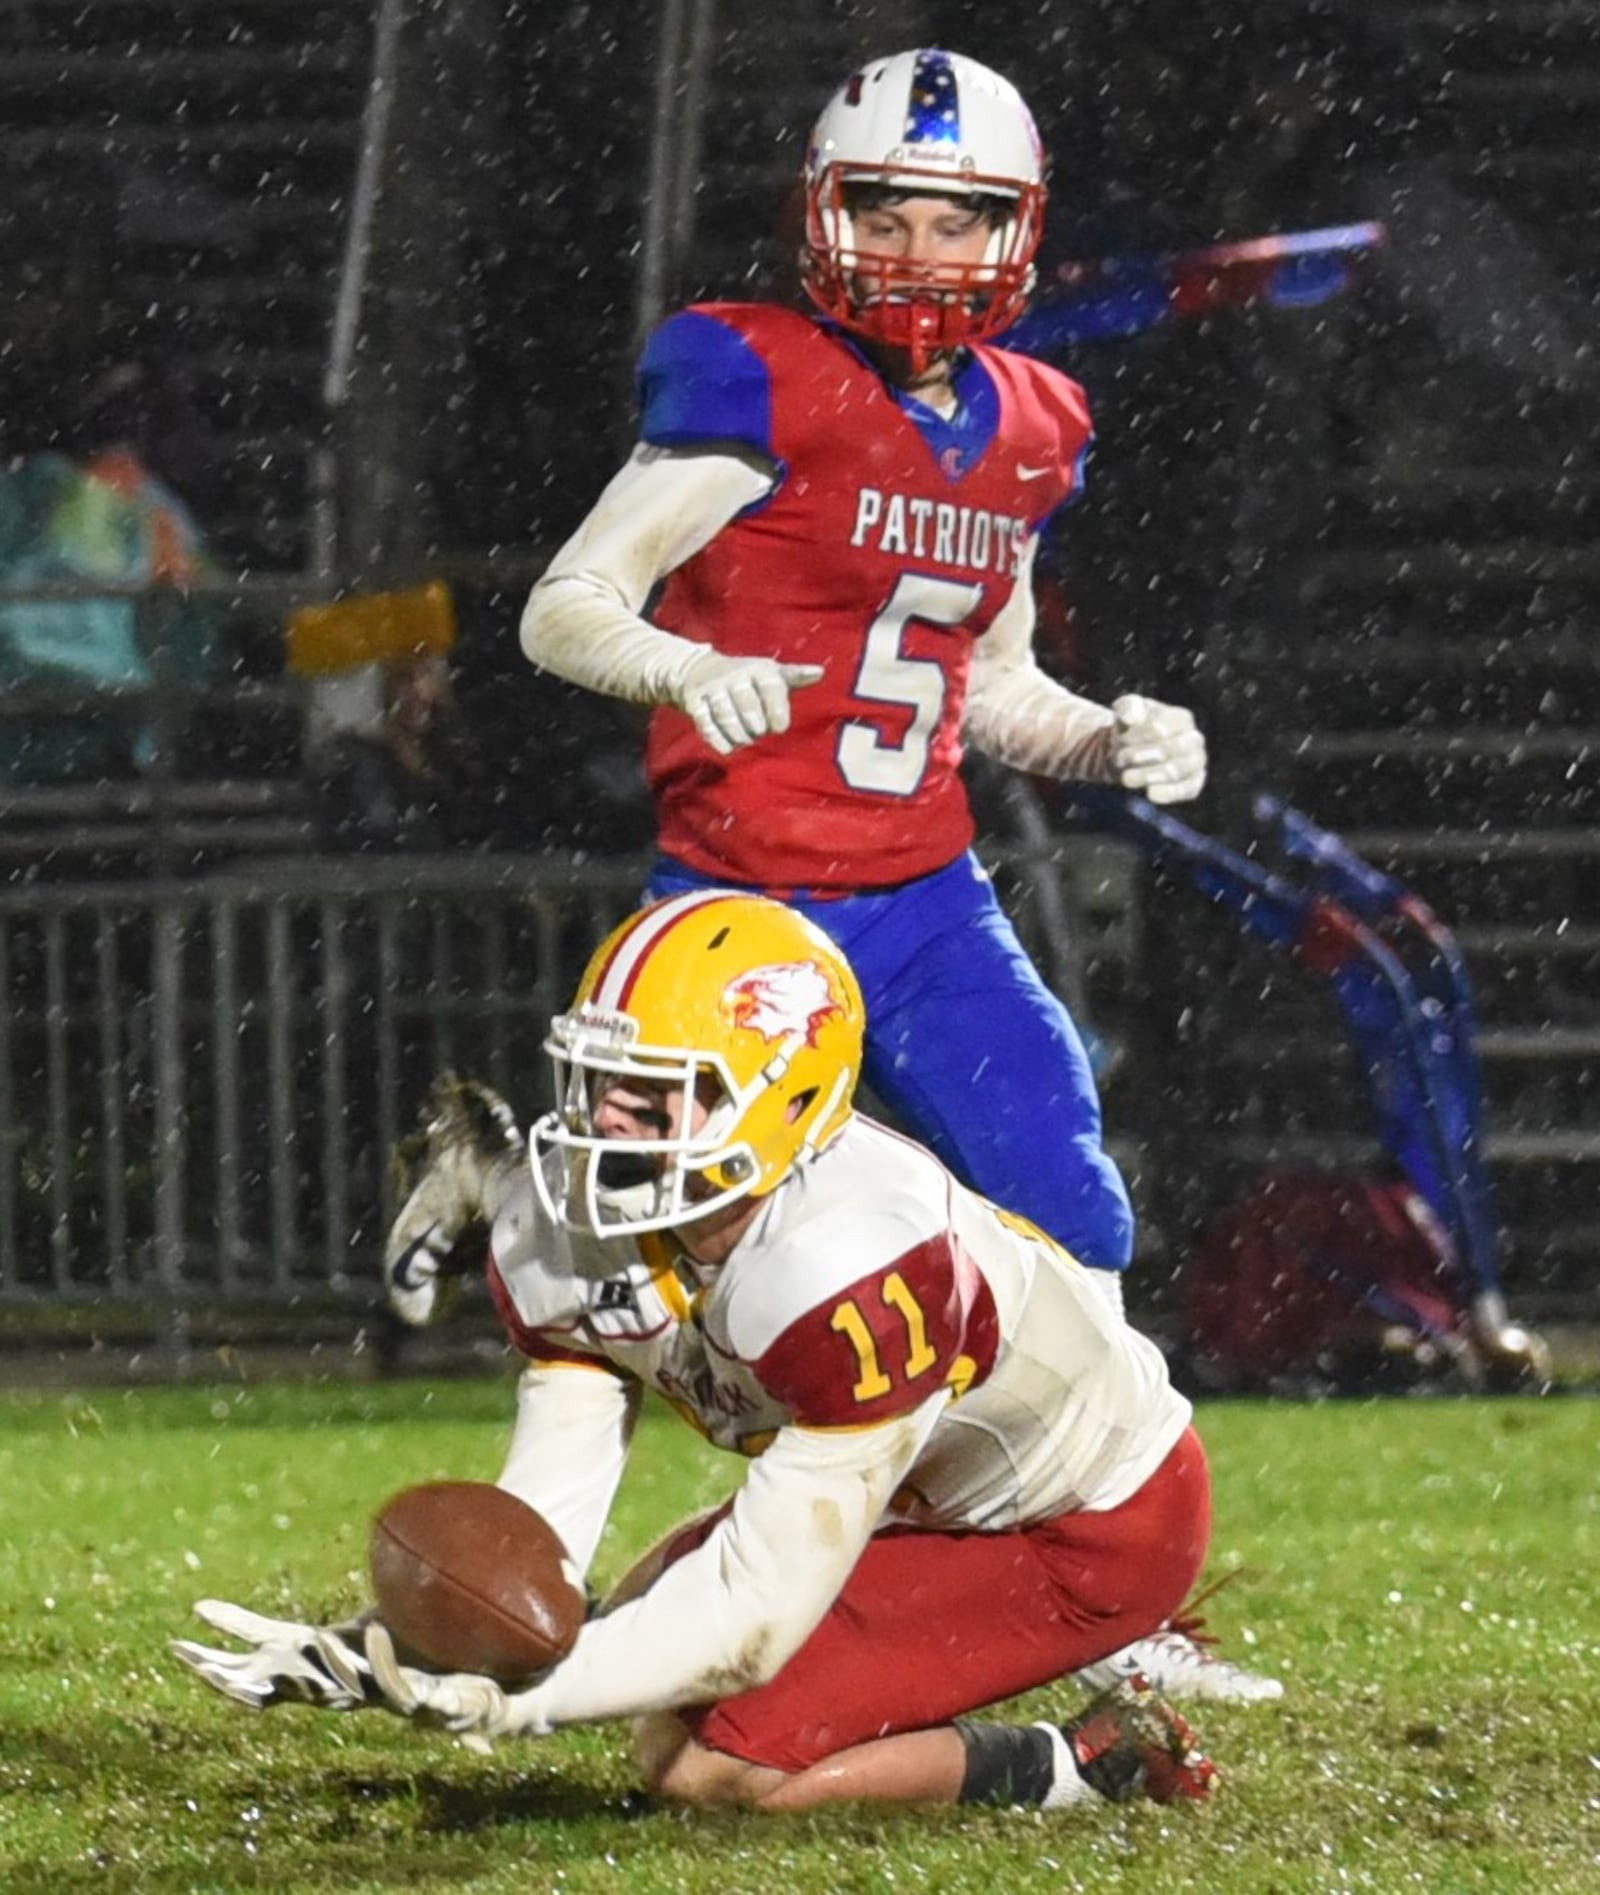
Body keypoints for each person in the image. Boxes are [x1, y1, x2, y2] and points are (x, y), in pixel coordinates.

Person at [517, 47, 1276, 1701]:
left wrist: (1109, 735)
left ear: (1018, 230)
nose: (926, 248)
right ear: (823, 208)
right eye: (891, 207)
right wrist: (667, 669)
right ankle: (546, 1558)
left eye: (964, 216)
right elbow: (563, 604)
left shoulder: (1030, 423)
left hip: (927, 898)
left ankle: (1099, 1587)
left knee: (1067, 1201)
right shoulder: (752, 377)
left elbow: (988, 684)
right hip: (735, 905)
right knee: (649, 1256)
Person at [174, 891, 1232, 1811]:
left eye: (652, 1093)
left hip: (1086, 1525)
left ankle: (1089, 1759)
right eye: (596, 1081)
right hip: (917, 1491)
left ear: (783, 1098)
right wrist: (414, 1643)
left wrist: (525, 1696)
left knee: (700, 1767)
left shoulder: (854, 1256)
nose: (605, 1121)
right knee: (627, 1638)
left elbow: (750, 1614)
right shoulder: (564, 1225)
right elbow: (544, 1527)